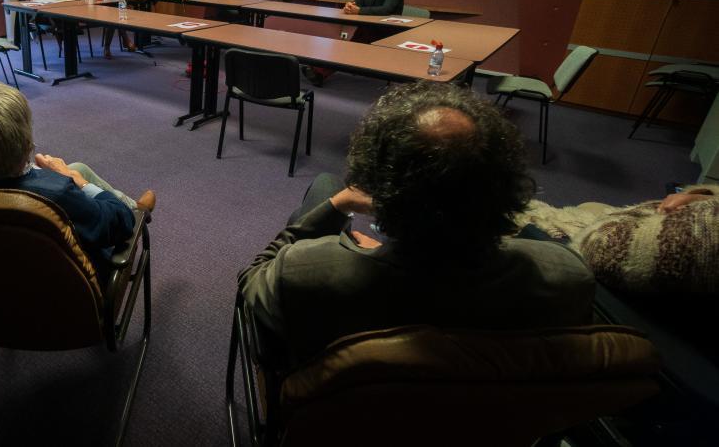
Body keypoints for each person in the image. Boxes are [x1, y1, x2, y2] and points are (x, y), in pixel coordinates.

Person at [238, 82, 595, 367]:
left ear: (378, 190)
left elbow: (250, 286)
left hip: (342, 418)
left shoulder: (304, 271)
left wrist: (340, 207)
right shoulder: (567, 275)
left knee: (326, 187)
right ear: (505, 187)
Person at [0, 81, 156, 277]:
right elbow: (120, 224)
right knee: (90, 182)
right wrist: (76, 181)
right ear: (25, 142)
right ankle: (138, 210)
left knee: (78, 166)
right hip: (59, 296)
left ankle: (134, 204)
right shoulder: (56, 195)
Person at [515, 184, 719, 300]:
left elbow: (601, 248)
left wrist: (696, 204)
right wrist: (701, 197)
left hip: (602, 284)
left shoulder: (706, 232)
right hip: (623, 231)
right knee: (591, 205)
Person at [302, 0, 405, 86]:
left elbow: (386, 9)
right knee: (349, 48)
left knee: (351, 48)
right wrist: (351, 6)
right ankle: (319, 70)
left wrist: (359, 10)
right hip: (368, 26)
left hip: (387, 30)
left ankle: (319, 71)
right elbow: (360, 0)